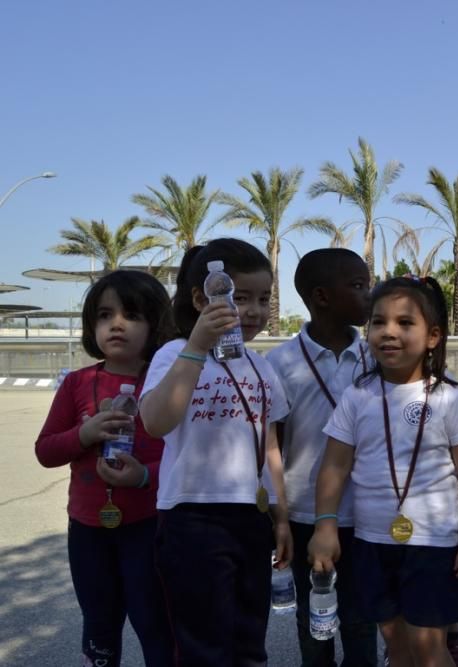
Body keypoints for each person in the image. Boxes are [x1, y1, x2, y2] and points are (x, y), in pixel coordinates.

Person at [309, 275, 458, 667]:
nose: (388, 332)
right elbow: (335, 466)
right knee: (397, 645)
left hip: (433, 544)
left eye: (405, 323)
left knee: (428, 648)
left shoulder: (449, 400)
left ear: (433, 336)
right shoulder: (358, 396)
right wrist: (325, 526)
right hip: (372, 541)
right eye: (378, 322)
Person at [140, 238, 292, 666]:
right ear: (200, 298)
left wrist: (279, 514)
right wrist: (196, 347)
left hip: (251, 515)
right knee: (204, 644)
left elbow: (270, 444)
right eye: (240, 298)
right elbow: (155, 422)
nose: (255, 311)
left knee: (248, 637)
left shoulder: (263, 368)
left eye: (264, 299)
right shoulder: (174, 355)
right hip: (192, 517)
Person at [35, 270, 175, 667]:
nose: (116, 324)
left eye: (132, 314)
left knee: (155, 625)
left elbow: (185, 460)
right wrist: (84, 433)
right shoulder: (77, 384)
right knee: (99, 625)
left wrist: (144, 475)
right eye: (104, 314)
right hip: (88, 532)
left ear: (156, 322)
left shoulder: (166, 383)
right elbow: (45, 451)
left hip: (149, 527)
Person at [266, 248, 379, 666]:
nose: (369, 295)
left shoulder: (377, 357)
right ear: (321, 296)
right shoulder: (279, 363)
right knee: (315, 618)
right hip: (304, 517)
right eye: (357, 286)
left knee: (361, 617)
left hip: (366, 513)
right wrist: (278, 516)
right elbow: (271, 447)